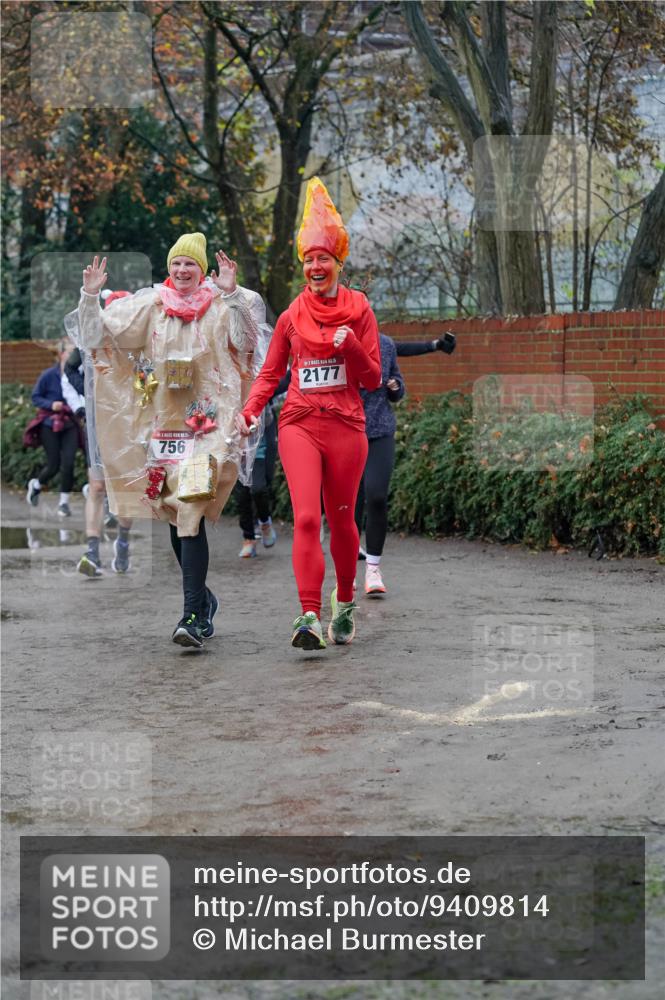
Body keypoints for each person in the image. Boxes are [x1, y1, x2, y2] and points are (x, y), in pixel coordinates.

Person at [68, 233, 263, 648]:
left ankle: (192, 616)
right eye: (176, 264)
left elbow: (248, 345)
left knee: (190, 506)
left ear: (202, 268)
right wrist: (89, 297)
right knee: (175, 514)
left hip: (207, 429)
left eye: (190, 264)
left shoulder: (218, 306)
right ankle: (203, 599)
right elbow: (99, 337)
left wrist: (231, 296)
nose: (182, 271)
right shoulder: (152, 308)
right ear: (169, 269)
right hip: (164, 431)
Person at [236, 177, 381, 650]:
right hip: (299, 422)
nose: (315, 266)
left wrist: (353, 346)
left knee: (342, 520)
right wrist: (251, 410)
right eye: (309, 260)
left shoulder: (359, 310)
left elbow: (374, 377)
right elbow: (270, 372)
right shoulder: (290, 317)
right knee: (303, 519)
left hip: (346, 426)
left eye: (323, 259)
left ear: (339, 263)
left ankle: (342, 602)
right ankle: (308, 616)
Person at [355, 333, 405, 596]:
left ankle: (373, 568)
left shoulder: (386, 344)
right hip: (347, 430)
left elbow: (398, 384)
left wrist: (396, 386)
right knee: (349, 502)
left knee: (376, 495)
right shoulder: (336, 342)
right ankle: (346, 568)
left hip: (380, 429)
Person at [24, 339, 84, 517]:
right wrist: (51, 404)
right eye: (69, 351)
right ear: (60, 353)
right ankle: (36, 485)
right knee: (54, 465)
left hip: (70, 423)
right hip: (50, 424)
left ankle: (64, 503)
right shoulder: (48, 375)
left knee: (69, 462)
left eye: (75, 351)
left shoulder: (79, 373)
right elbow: (35, 397)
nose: (73, 354)